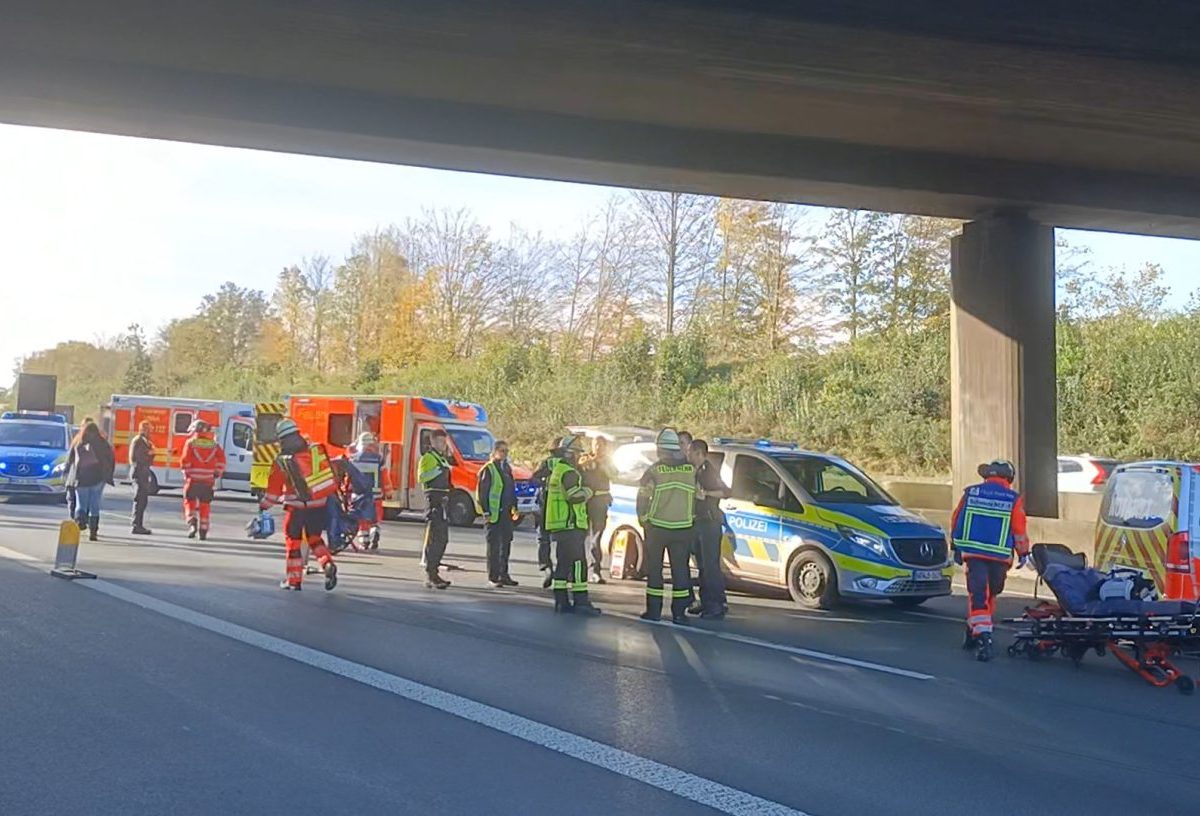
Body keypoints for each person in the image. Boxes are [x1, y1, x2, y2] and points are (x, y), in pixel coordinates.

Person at [950, 459, 1030, 662]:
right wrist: (1023, 553)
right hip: (999, 557)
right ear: (1009, 477)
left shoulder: (971, 493)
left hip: (974, 555)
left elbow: (957, 519)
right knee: (989, 595)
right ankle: (983, 636)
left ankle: (974, 628)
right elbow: (1019, 529)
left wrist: (956, 546)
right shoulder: (1013, 498)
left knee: (979, 595)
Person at [259, 417, 338, 591]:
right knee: (315, 538)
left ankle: (294, 581)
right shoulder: (314, 452)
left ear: (281, 439)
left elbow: (273, 492)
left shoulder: (282, 460)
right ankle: (327, 564)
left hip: (296, 508)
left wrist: (264, 506)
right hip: (319, 503)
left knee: (293, 542)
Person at [637, 428, 697, 625]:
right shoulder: (691, 470)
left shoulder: (654, 471)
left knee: (655, 571)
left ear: (661, 450)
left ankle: (654, 611)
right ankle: (679, 613)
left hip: (658, 528)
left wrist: (644, 519)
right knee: (680, 571)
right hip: (683, 528)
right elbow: (699, 497)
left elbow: (643, 498)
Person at [544, 434, 601, 615]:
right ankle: (580, 601)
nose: (578, 457)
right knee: (578, 564)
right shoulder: (569, 472)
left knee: (562, 564)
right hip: (571, 524)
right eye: (577, 453)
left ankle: (561, 601)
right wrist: (589, 490)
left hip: (561, 525)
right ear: (570, 454)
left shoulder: (557, 470)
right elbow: (574, 496)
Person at [687, 439, 731, 619]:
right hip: (698, 522)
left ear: (699, 453)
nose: (687, 454)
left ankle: (716, 604)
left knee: (710, 565)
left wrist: (705, 494)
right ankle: (706, 601)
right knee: (702, 565)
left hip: (709, 523)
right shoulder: (694, 471)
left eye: (690, 451)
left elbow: (725, 491)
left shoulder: (708, 471)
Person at [65, 418, 115, 542]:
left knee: (81, 504)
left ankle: (79, 524)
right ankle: (93, 532)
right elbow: (111, 459)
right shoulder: (102, 442)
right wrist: (108, 475)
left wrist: (66, 473)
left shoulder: (78, 441)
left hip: (81, 478)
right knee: (95, 505)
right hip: (98, 478)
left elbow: (70, 459)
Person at [478, 439, 519, 587]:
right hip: (494, 514)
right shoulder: (488, 469)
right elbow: (482, 493)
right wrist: (486, 511)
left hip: (506, 513)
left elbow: (510, 488)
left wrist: (515, 505)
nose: (505, 454)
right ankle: (493, 576)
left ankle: (504, 574)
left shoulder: (506, 468)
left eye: (506, 451)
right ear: (494, 452)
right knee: (494, 546)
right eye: (502, 451)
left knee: (506, 544)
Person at [577, 436, 616, 584]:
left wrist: (603, 465)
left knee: (596, 538)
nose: (598, 448)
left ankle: (595, 570)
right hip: (585, 503)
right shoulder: (585, 459)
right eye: (595, 445)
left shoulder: (607, 461)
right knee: (580, 537)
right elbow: (577, 471)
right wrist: (587, 463)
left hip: (600, 502)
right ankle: (576, 570)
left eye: (601, 445)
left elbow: (614, 474)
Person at [418, 429, 453, 589]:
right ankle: (431, 573)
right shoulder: (428, 458)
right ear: (432, 442)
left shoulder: (442, 458)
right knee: (435, 538)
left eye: (444, 442)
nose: (442, 444)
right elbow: (422, 477)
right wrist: (438, 471)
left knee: (443, 539)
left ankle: (435, 570)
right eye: (439, 441)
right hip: (434, 500)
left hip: (443, 501)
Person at [180, 420, 226, 541]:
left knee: (189, 502)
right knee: (205, 506)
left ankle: (192, 524)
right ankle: (203, 531)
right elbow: (222, 460)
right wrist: (216, 472)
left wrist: (187, 474)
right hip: (207, 482)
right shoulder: (214, 445)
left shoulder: (190, 443)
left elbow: (185, 461)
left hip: (193, 481)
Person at [531, 439, 562, 589]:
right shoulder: (570, 464)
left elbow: (534, 479)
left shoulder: (548, 462)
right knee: (563, 541)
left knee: (543, 539)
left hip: (544, 505)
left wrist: (545, 483)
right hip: (561, 508)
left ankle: (546, 568)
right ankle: (563, 571)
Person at [347, 431, 384, 550]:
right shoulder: (379, 459)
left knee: (362, 519)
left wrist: (347, 490)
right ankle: (375, 532)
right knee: (375, 518)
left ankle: (364, 541)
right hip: (375, 494)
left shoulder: (353, 459)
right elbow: (385, 476)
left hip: (359, 494)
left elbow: (348, 476)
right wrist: (388, 491)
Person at [129, 420, 155, 535]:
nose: (150, 432)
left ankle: (139, 524)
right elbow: (137, 458)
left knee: (143, 500)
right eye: (148, 429)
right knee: (139, 499)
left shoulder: (146, 441)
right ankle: (136, 525)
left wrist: (151, 453)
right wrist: (149, 453)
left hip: (143, 473)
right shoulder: (138, 441)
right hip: (138, 473)